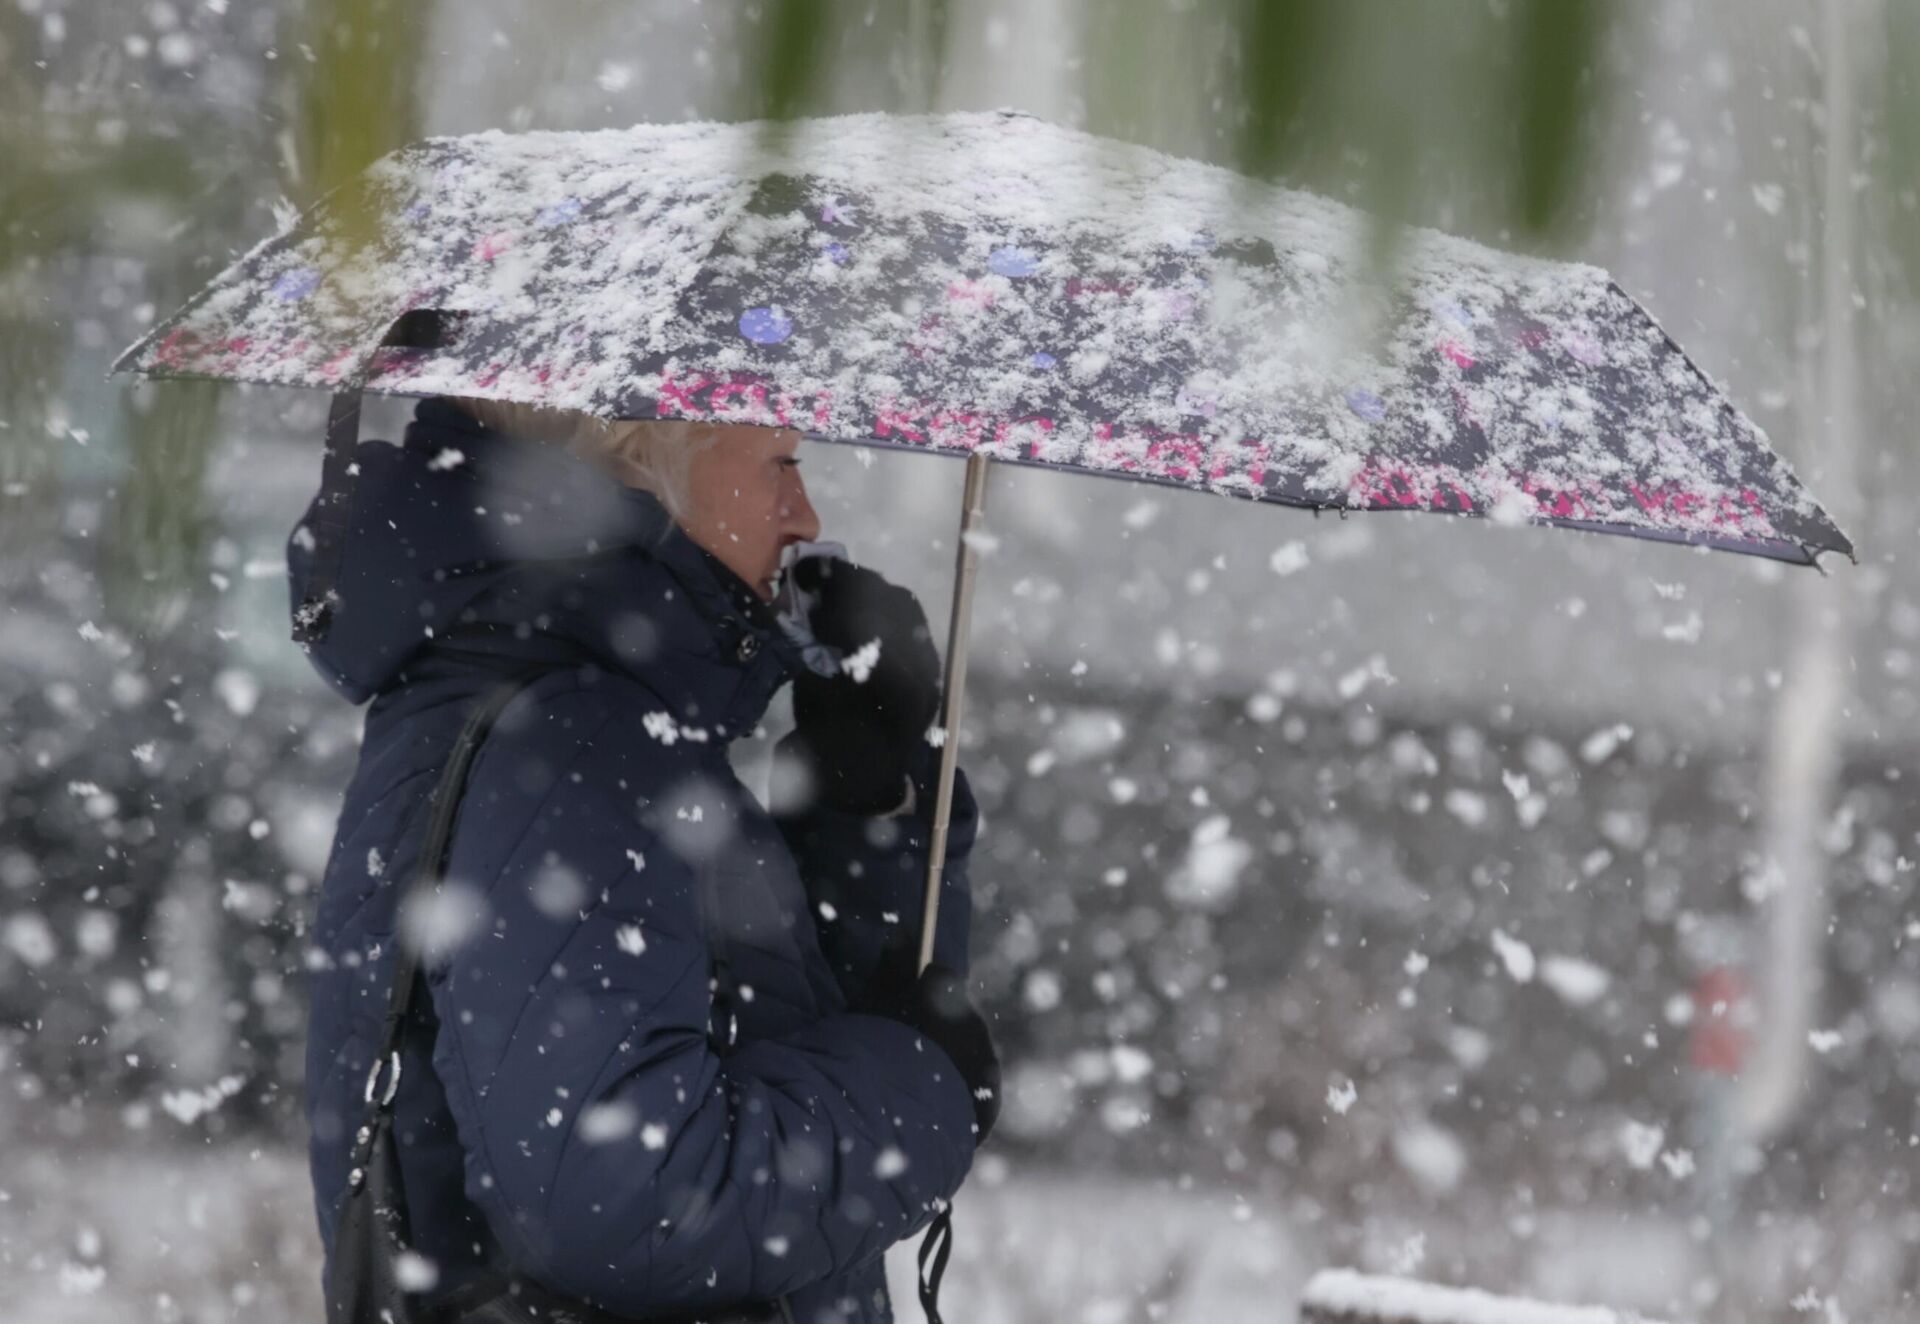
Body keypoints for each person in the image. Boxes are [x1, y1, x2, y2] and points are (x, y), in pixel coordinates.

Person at [290, 395, 1000, 1323]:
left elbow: (761, 1033)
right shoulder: (579, 744)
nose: (807, 514)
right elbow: (634, 1206)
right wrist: (916, 1093)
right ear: (636, 463)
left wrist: (862, 796)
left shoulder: (576, 715)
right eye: (777, 464)